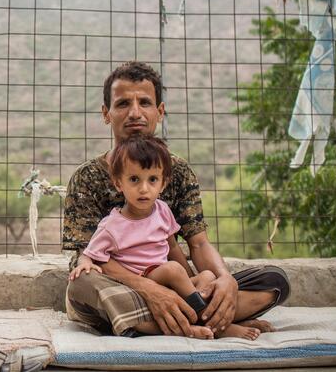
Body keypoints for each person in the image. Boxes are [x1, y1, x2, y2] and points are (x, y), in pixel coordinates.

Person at [63, 61, 290, 339]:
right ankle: (209, 321)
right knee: (81, 284)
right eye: (123, 104)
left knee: (274, 282)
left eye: (145, 103)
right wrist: (150, 290)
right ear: (106, 113)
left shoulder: (178, 171)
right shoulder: (87, 177)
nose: (135, 113)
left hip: (175, 284)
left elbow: (199, 243)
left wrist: (225, 280)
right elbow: (88, 258)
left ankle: (176, 317)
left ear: (159, 112)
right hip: (119, 287)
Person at [69, 134, 260, 340]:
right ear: (118, 183)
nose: (144, 188)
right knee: (170, 269)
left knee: (207, 276)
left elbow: (173, 247)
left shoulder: (162, 211)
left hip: (169, 280)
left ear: (163, 183)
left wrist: (189, 280)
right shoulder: (112, 225)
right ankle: (206, 323)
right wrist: (84, 263)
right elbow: (92, 254)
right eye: (134, 179)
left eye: (152, 180)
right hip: (139, 283)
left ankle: (200, 313)